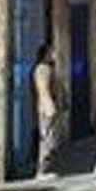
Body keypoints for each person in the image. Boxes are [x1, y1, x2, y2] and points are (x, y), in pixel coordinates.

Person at [31, 44, 64, 177]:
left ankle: (44, 169)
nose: (55, 55)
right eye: (52, 53)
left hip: (47, 107)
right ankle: (42, 170)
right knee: (47, 139)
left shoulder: (46, 69)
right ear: (46, 55)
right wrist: (50, 108)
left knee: (50, 139)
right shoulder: (42, 69)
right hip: (47, 109)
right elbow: (43, 90)